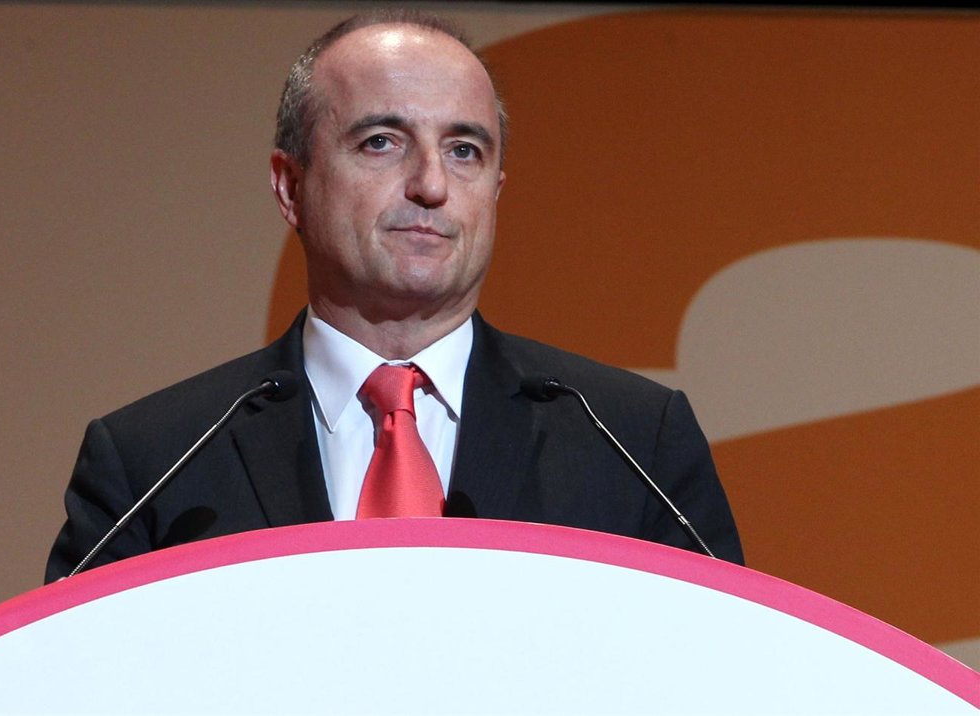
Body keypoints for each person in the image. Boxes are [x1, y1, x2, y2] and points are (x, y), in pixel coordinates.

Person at [45, 10, 743, 582]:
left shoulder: (630, 443)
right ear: (290, 186)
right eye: (382, 142)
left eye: (465, 150)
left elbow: (734, 671)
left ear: (496, 190)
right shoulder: (156, 460)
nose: (432, 185)